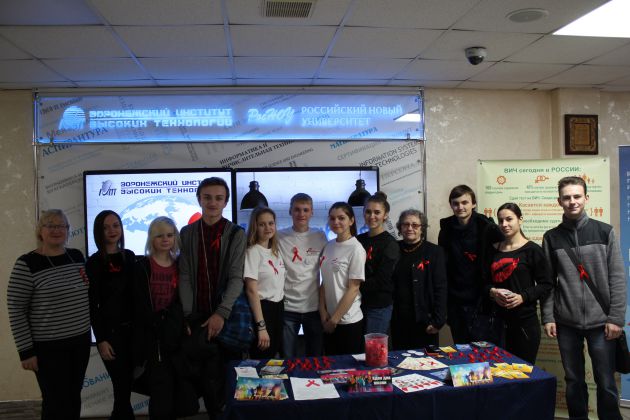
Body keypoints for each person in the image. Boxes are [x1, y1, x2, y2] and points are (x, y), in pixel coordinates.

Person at [542, 176, 626, 420]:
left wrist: (616, 319)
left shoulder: (605, 231)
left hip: (602, 322)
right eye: (567, 197)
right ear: (559, 201)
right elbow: (548, 283)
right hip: (566, 322)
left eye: (577, 196)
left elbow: (617, 278)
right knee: (574, 381)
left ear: (586, 198)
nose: (572, 201)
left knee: (606, 381)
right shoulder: (551, 237)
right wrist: (548, 316)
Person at [7, 209, 91, 420]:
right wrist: (26, 352)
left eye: (61, 226)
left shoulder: (76, 256)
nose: (56, 230)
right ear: (40, 231)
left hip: (79, 344)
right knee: (55, 402)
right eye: (50, 225)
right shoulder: (27, 264)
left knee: (73, 397)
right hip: (48, 349)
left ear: (68, 230)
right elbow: (16, 309)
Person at [179, 177, 245, 417]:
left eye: (218, 198)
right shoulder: (187, 232)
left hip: (227, 317)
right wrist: (188, 315)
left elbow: (237, 278)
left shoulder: (236, 233)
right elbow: (185, 276)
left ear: (226, 202)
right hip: (198, 317)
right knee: (206, 380)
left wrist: (221, 313)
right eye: (207, 197)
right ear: (199, 199)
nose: (213, 203)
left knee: (228, 379)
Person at [484, 203, 552, 364]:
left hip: (524, 324)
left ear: (520, 219)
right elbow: (483, 283)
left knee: (522, 373)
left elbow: (547, 284)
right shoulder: (492, 250)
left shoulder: (532, 250)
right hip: (496, 323)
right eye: (501, 221)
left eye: (509, 219)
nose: (504, 224)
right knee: (497, 372)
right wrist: (493, 292)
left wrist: (523, 296)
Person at [133, 216, 184, 420]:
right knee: (159, 389)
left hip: (174, 334)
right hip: (152, 336)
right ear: (151, 238)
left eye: (170, 235)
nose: (165, 239)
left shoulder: (180, 265)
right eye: (160, 235)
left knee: (174, 388)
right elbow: (138, 303)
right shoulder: (142, 266)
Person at [86, 210, 136, 420]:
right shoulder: (94, 262)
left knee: (124, 389)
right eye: (106, 227)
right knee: (121, 386)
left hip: (133, 333)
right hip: (111, 336)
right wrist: (101, 339)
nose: (112, 230)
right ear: (99, 232)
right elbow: (92, 305)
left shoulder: (130, 256)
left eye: (115, 225)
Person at [438, 184, 503, 343]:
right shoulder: (446, 229)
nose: (460, 207)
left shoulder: (486, 227)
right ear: (451, 205)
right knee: (461, 347)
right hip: (455, 300)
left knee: (481, 349)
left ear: (473, 204)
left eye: (465, 202)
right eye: (456, 203)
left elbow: (502, 256)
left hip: (480, 299)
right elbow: (443, 265)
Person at [278, 193, 327, 358]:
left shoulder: (320, 236)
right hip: (287, 308)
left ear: (312, 212)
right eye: (297, 209)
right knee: (287, 358)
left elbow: (328, 270)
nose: (301, 214)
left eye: (306, 210)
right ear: (290, 211)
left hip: (313, 308)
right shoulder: (278, 237)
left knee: (315, 357)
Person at [391, 209, 447, 350]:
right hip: (398, 320)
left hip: (426, 320)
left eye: (415, 225)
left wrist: (438, 321)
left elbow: (441, 287)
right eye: (405, 224)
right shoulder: (393, 249)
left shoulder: (435, 252)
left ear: (422, 228)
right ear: (400, 228)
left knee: (427, 360)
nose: (410, 228)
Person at [319, 202, 366, 355]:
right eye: (332, 218)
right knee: (330, 365)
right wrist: (322, 311)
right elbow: (325, 281)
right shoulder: (329, 246)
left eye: (341, 218)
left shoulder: (356, 249)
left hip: (348, 321)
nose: (336, 222)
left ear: (351, 220)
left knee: (348, 367)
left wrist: (334, 320)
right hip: (329, 319)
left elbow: (354, 289)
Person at [244, 206, 286, 359]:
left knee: (274, 359)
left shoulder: (275, 251)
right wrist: (261, 326)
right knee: (262, 359)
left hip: (278, 309)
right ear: (255, 227)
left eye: (271, 223)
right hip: (263, 310)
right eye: (262, 224)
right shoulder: (252, 252)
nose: (267, 228)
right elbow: (251, 291)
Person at [356, 192, 399, 335]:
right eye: (368, 212)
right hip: (357, 304)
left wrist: (353, 286)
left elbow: (382, 280)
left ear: (385, 215)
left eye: (377, 212)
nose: (372, 216)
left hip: (379, 306)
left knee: (373, 346)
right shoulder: (358, 240)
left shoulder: (390, 244)